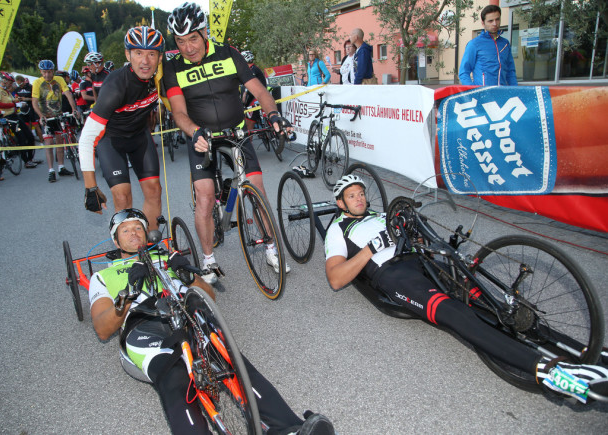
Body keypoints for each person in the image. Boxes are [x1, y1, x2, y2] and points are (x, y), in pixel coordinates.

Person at [324, 174, 608, 404]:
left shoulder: (380, 214)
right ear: (340, 203)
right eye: (352, 195)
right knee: (455, 313)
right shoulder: (338, 230)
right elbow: (336, 278)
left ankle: (577, 348)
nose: (360, 198)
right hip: (394, 274)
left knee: (492, 302)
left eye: (361, 192)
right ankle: (548, 372)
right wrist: (371, 248)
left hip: (422, 259)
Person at [90, 208, 336, 435]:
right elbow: (103, 329)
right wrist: (128, 293)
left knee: (233, 360)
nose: (134, 233)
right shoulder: (103, 275)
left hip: (187, 315)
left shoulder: (166, 258)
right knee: (176, 378)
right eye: (126, 230)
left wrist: (188, 276)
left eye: (138, 228)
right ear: (115, 240)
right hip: (145, 328)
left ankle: (291, 429)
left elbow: (209, 298)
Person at [163, 2, 292, 284]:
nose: (188, 47)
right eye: (180, 41)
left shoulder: (228, 54)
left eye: (193, 39)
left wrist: (273, 114)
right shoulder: (171, 67)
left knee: (257, 188)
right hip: (201, 137)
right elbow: (178, 111)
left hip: (236, 132)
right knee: (206, 198)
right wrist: (195, 132)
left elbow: (259, 90)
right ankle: (209, 261)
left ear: (204, 32)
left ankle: (271, 248)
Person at [78, 26, 165, 231]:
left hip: (139, 137)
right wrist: (91, 188)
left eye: (151, 54)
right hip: (111, 141)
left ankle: (150, 248)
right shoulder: (116, 85)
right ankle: (129, 255)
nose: (145, 61)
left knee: (154, 190)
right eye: (138, 53)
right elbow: (87, 138)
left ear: (160, 58)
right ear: (128, 54)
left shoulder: (161, 76)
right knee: (122, 195)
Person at [31, 59, 79, 182]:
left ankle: (61, 167)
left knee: (59, 142)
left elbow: (68, 94)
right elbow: (34, 102)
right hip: (46, 117)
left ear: (53, 71)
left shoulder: (59, 80)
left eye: (49, 72)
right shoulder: (37, 83)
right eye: (44, 72)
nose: (47, 75)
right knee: (49, 144)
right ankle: (51, 170)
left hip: (58, 115)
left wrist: (74, 109)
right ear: (41, 72)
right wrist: (41, 116)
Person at [459, 5, 517, 86]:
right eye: (490, 21)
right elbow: (464, 73)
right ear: (483, 23)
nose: (495, 23)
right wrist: (474, 92)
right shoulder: (474, 44)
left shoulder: (505, 44)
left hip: (503, 94)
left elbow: (510, 72)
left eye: (497, 19)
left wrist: (515, 91)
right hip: (483, 96)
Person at [0, 72, 37, 168]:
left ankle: (30, 158)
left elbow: (13, 101)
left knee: (30, 136)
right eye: (10, 82)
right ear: (4, 81)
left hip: (15, 115)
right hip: (7, 117)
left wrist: (19, 101)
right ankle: (26, 161)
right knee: (21, 138)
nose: (11, 84)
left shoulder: (6, 91)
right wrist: (14, 104)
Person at [240, 50, 267, 131]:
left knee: (249, 122)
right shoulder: (252, 68)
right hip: (257, 95)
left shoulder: (252, 69)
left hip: (257, 97)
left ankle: (249, 141)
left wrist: (244, 97)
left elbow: (250, 87)